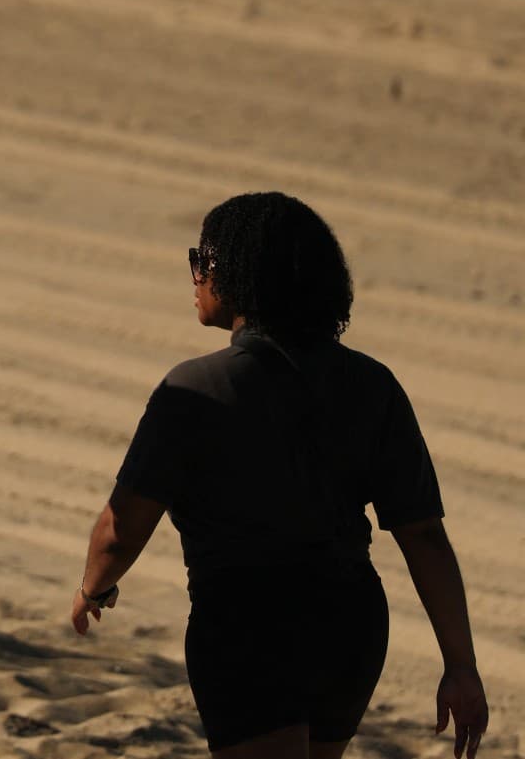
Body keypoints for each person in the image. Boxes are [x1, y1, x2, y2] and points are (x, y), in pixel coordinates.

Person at [71, 192, 488, 759]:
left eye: (204, 260)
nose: (195, 274)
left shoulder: (195, 390)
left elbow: (121, 529)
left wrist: (94, 588)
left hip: (248, 629)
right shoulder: (372, 384)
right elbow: (424, 535)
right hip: (349, 627)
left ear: (239, 275)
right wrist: (460, 665)